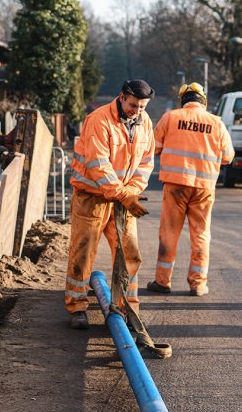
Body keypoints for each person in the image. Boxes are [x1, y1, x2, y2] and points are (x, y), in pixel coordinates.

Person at [66, 80, 155, 329]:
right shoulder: (99, 120)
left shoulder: (145, 122)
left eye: (142, 107)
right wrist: (125, 195)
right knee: (83, 252)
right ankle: (77, 307)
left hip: (122, 198)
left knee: (129, 254)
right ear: (122, 97)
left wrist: (132, 192)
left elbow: (146, 163)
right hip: (91, 198)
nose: (136, 111)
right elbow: (98, 166)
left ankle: (128, 308)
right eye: (133, 105)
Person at [147, 82, 234, 297]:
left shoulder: (170, 117)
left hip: (175, 185)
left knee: (169, 232)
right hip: (204, 188)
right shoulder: (217, 123)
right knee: (201, 234)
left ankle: (162, 281)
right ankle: (198, 284)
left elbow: (153, 147)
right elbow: (227, 157)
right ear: (203, 101)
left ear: (184, 100)